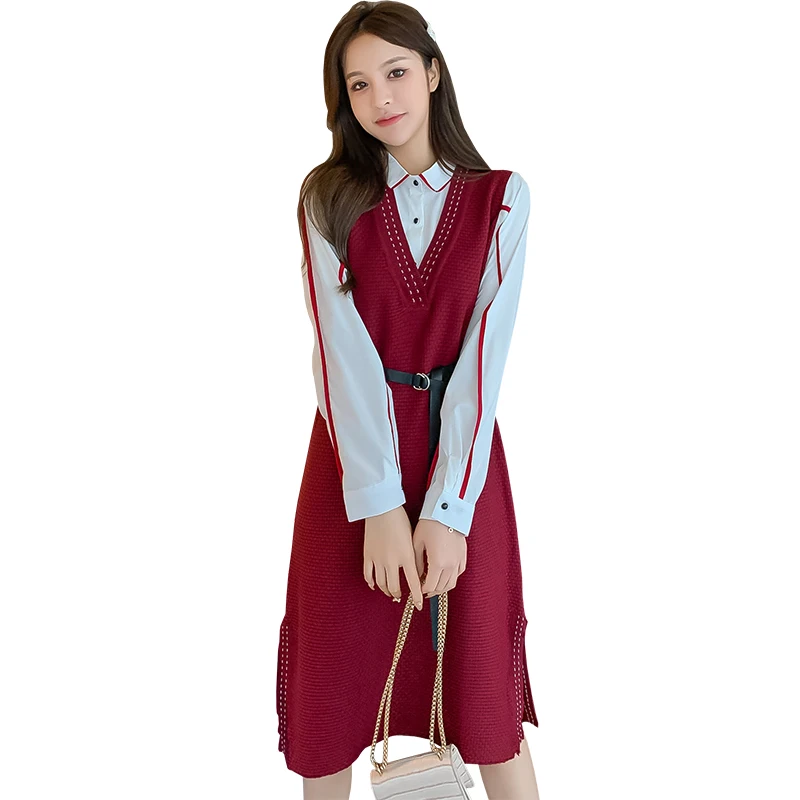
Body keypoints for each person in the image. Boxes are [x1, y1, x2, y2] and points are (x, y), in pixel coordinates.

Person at [276, 3, 540, 798]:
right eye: (358, 85)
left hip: (463, 469)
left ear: (431, 72)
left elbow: (483, 366)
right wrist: (380, 506)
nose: (380, 97)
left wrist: (448, 511)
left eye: (395, 72)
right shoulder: (328, 199)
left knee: (483, 699)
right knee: (330, 703)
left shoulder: (502, 199)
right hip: (351, 472)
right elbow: (341, 359)